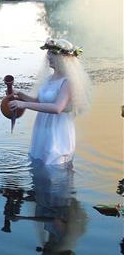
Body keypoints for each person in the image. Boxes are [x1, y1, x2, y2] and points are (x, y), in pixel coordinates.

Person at [8, 38, 91, 166]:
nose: (48, 57)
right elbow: (39, 102)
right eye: (48, 53)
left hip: (57, 131)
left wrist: (24, 104)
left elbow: (58, 108)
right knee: (39, 165)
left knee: (55, 167)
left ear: (63, 58)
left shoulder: (68, 81)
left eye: (53, 54)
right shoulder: (49, 78)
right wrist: (20, 95)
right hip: (42, 128)